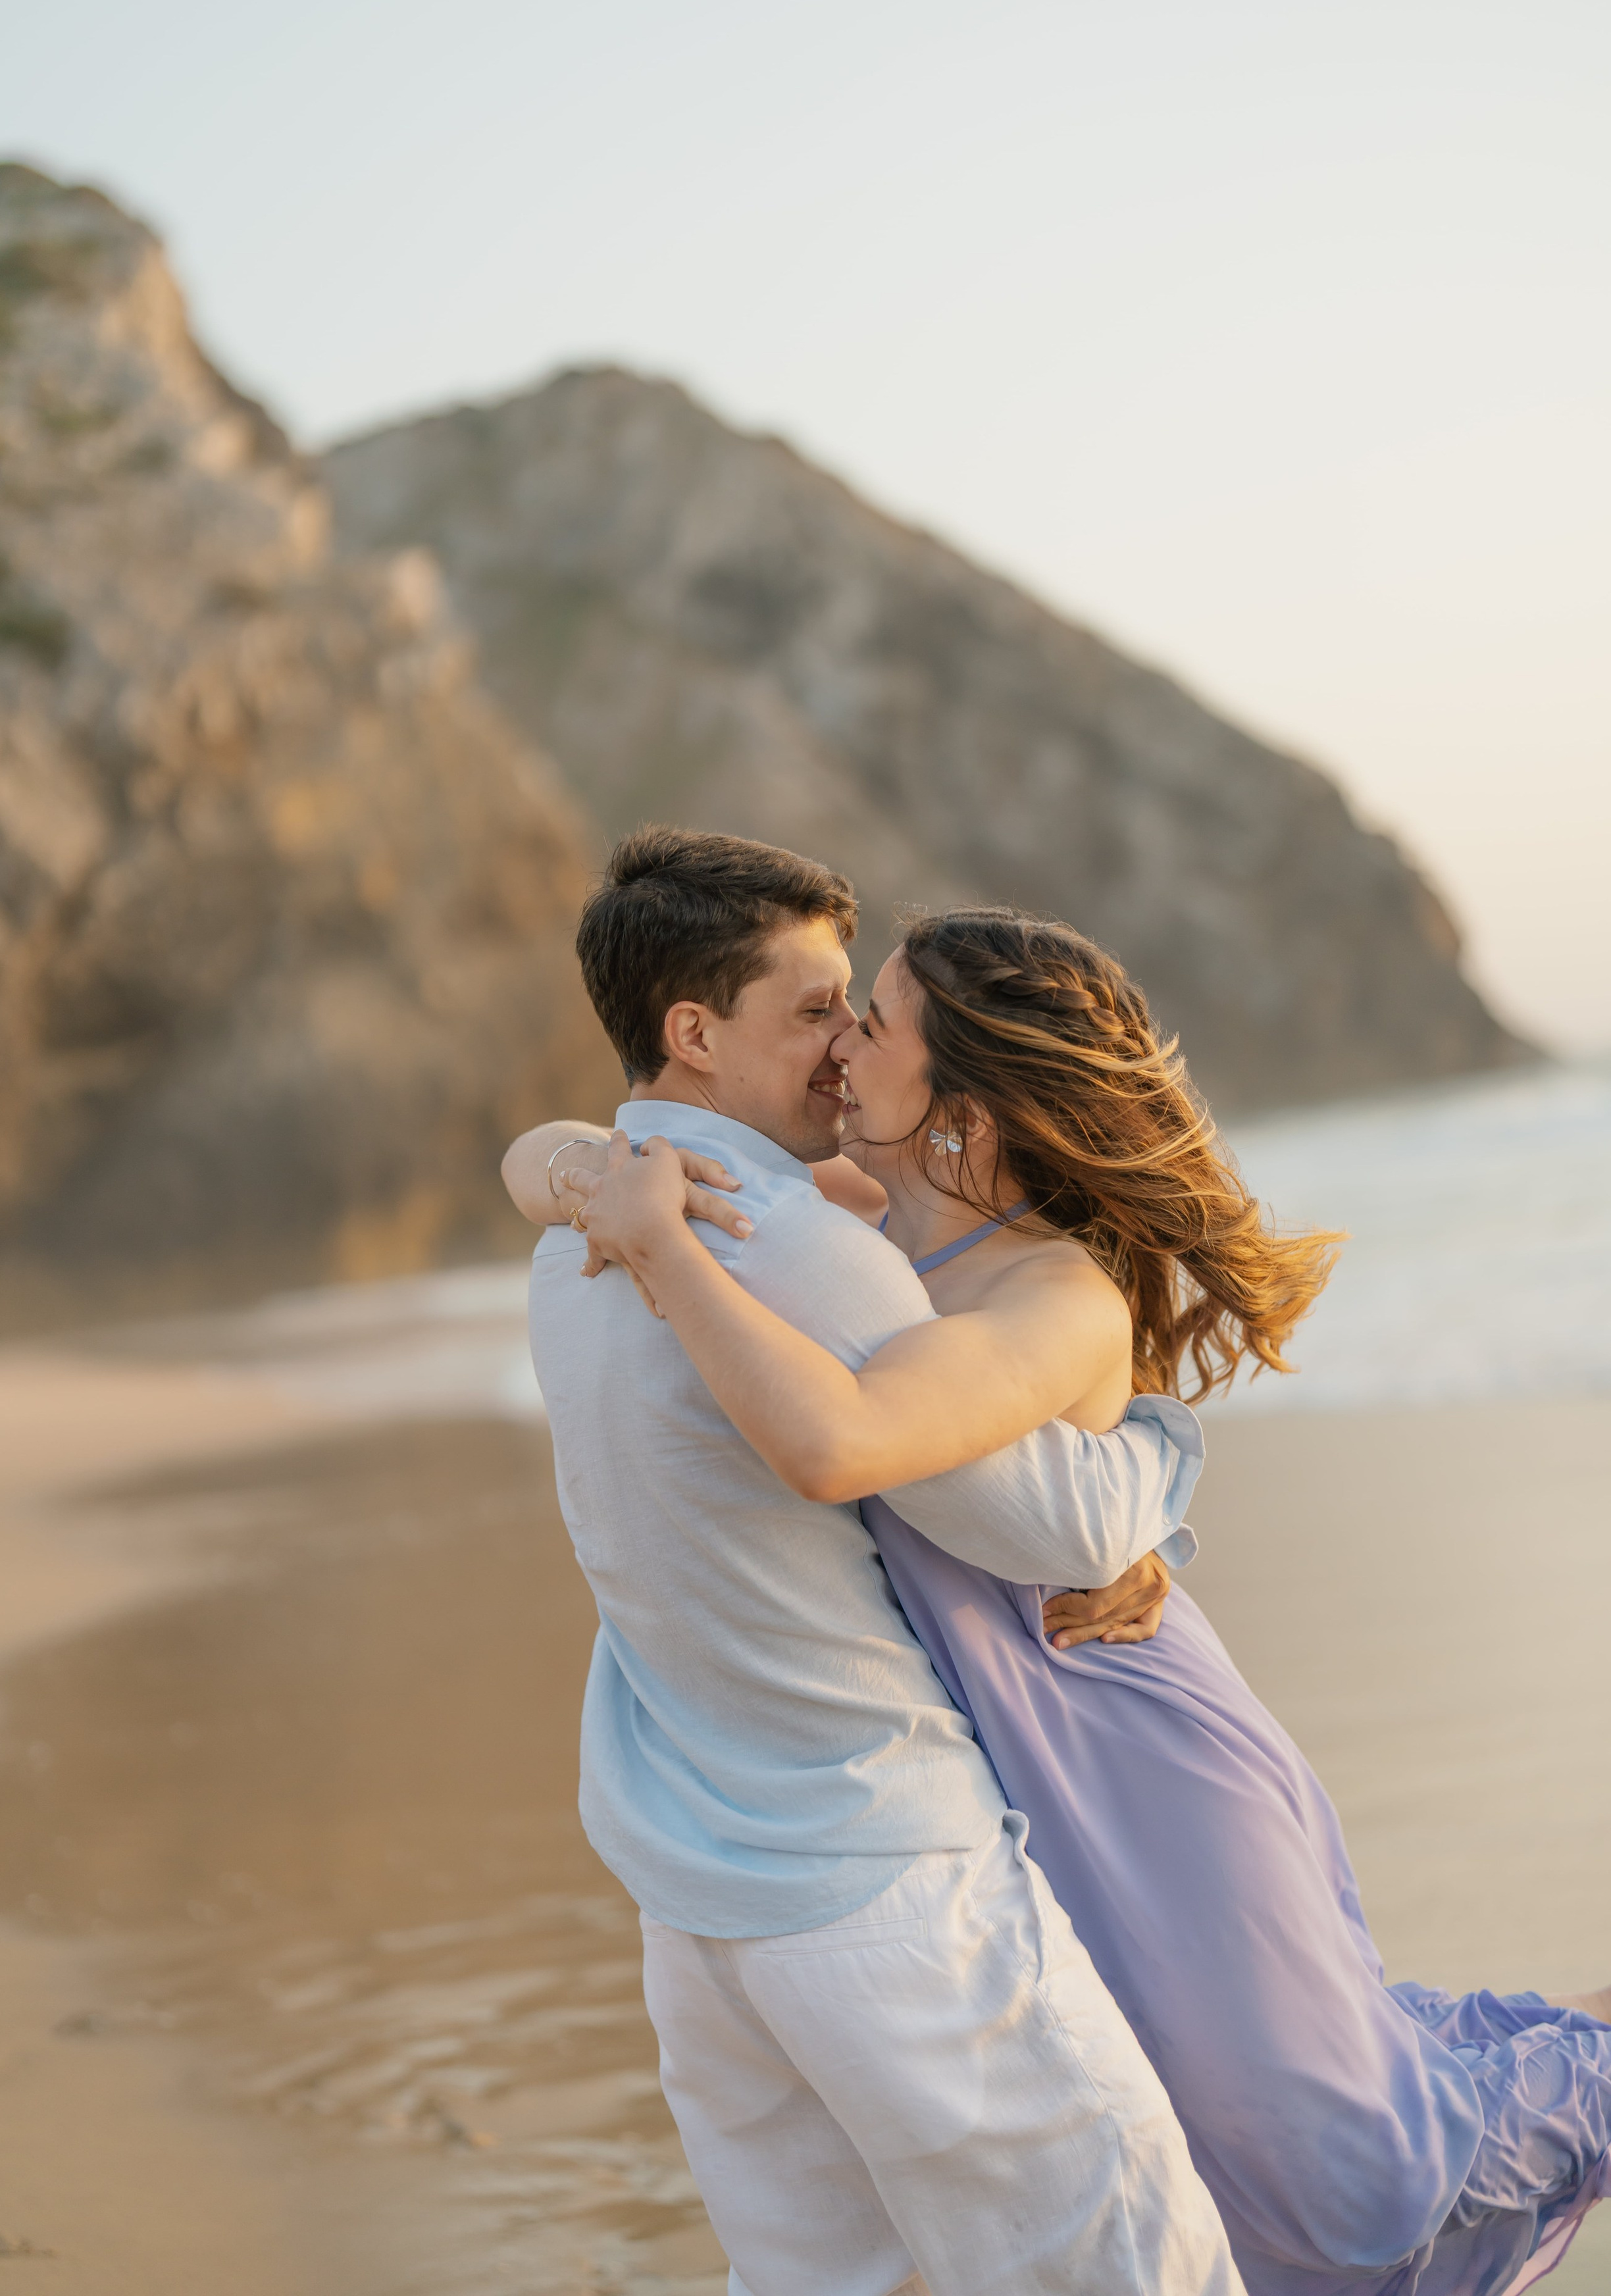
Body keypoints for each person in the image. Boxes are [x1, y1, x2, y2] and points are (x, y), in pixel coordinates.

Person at [563, 897, 1611, 2296]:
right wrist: (565, 1170)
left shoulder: (1055, 1296)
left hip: (1139, 1758)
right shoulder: (855, 1223)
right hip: (1014, 1779)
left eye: (871, 1023)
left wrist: (663, 1250)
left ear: (966, 1115)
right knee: (1197, 2152)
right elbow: (587, 1154)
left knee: (1337, 2160)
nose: (842, 1049)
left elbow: (839, 1438)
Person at [501, 827, 1242, 2296]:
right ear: (694, 1032)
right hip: (881, 1877)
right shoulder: (790, 1243)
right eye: (815, 1007)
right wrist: (1153, 1468)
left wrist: (551, 1153)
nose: (845, 1046)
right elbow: (1041, 1525)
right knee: (1137, 2262)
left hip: (696, 1900)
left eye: (856, 1009)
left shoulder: (573, 1231)